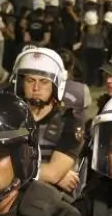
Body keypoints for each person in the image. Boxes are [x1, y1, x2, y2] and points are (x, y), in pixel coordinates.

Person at [11, 47, 85, 193]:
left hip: (51, 199)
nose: (36, 88)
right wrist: (46, 174)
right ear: (21, 84)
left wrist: (8, 172)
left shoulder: (70, 120)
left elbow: (53, 173)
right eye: (30, 80)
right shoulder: (8, 116)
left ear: (56, 86)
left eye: (44, 81)